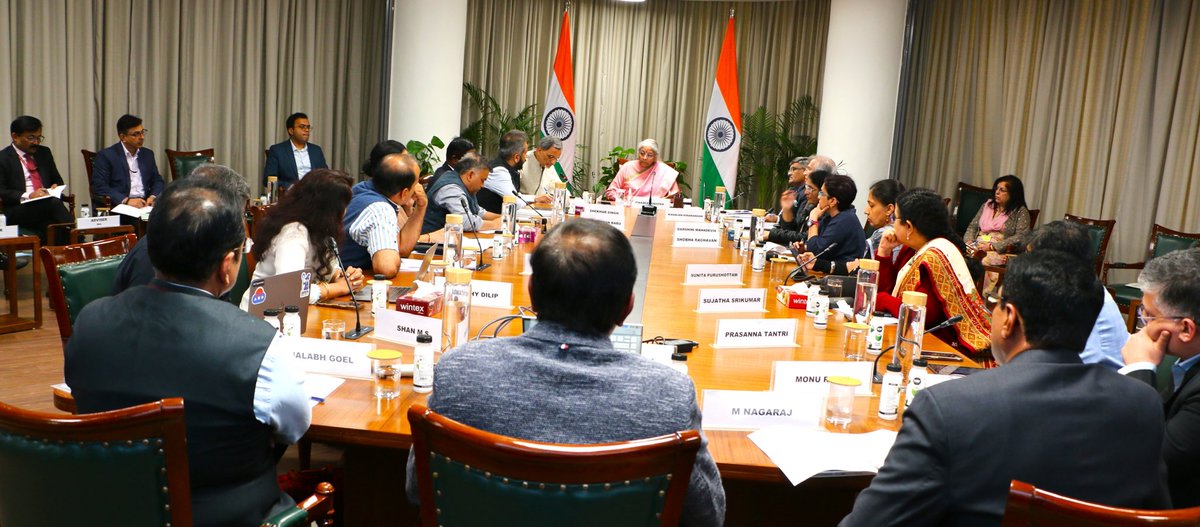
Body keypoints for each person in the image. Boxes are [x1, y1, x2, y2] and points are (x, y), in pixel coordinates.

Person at [404, 219, 726, 526]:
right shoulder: (668, 395)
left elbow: (417, 489)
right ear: (627, 307)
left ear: (531, 292)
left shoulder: (459, 370)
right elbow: (708, 515)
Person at [841, 250, 1169, 526]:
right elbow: (1157, 513)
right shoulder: (1142, 402)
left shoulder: (949, 408)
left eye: (994, 304)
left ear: (1009, 318)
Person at [66, 176, 310, 527]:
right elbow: (294, 427)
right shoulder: (259, 345)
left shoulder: (89, 322)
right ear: (227, 266)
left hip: (109, 509)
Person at [1120, 247, 1200, 507]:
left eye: (1149, 316)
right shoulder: (1186, 361)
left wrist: (1140, 370)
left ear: (1186, 329)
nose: (1142, 324)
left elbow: (1152, 461)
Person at [875, 188, 991, 354]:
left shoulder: (936, 254)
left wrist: (882, 300)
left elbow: (922, 313)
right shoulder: (912, 249)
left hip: (943, 349)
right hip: (911, 338)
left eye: (895, 218)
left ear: (908, 226)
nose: (892, 224)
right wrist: (884, 252)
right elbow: (888, 292)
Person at [111, 164, 251, 296]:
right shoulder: (162, 252)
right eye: (240, 214)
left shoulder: (200, 243)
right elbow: (145, 315)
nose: (241, 223)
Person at [240, 169, 365, 309]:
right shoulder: (293, 234)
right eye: (343, 206)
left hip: (297, 313)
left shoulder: (320, 228)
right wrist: (338, 288)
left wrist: (340, 275)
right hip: (264, 314)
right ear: (326, 209)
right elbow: (290, 292)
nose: (345, 211)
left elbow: (318, 267)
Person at [1026, 220, 1127, 370]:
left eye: (1031, 256)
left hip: (1100, 385)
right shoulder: (1076, 286)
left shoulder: (1081, 297)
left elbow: (1074, 365)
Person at [341, 152, 427, 276]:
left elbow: (401, 248)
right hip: (343, 283)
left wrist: (421, 207)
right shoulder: (380, 209)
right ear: (404, 193)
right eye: (416, 183)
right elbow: (386, 268)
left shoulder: (360, 189)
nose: (418, 187)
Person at [0, 115, 72, 241]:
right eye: (31, 138)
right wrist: (29, 195)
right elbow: (2, 191)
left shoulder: (44, 153)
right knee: (53, 203)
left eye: (39, 138)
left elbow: (57, 180)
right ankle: (79, 237)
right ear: (15, 137)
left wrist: (54, 186)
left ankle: (59, 256)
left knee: (52, 227)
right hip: (18, 209)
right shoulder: (3, 158)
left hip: (45, 206)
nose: (36, 142)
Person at [793, 174, 867, 271]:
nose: (819, 197)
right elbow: (817, 244)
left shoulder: (844, 221)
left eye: (822, 193)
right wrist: (805, 248)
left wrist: (813, 218)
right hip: (829, 271)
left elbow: (815, 252)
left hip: (842, 278)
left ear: (832, 201)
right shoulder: (832, 216)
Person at [92, 114, 165, 209]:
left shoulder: (147, 154)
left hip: (145, 204)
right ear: (123, 137)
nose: (142, 137)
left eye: (142, 132)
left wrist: (153, 196)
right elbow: (99, 186)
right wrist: (126, 200)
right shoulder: (107, 156)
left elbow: (157, 180)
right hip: (122, 205)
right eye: (136, 134)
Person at [421, 152, 500, 234]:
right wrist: (494, 224)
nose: (483, 185)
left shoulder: (465, 186)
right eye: (482, 180)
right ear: (470, 175)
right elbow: (465, 221)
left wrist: (502, 218)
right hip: (429, 241)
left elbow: (478, 211)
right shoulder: (451, 188)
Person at [963, 174, 1032, 264]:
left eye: (1002, 190)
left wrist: (992, 246)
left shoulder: (1020, 211)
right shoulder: (987, 206)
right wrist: (969, 243)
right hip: (977, 247)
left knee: (983, 260)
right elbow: (972, 227)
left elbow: (1021, 237)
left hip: (1000, 250)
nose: (997, 192)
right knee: (956, 257)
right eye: (996, 189)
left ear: (1013, 193)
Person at [767, 156, 833, 246]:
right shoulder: (810, 199)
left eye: (808, 169)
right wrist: (787, 210)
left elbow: (807, 239)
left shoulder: (828, 208)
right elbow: (794, 230)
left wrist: (771, 235)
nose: (805, 173)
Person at [480, 130, 543, 213]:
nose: (526, 158)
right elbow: (516, 202)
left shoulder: (506, 168)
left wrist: (535, 198)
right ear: (516, 157)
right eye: (525, 154)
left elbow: (515, 195)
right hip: (491, 222)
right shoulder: (499, 172)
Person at [263, 112, 328, 189]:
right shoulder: (277, 151)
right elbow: (268, 180)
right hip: (292, 196)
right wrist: (292, 187)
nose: (307, 130)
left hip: (315, 195)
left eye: (308, 127)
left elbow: (326, 176)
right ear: (291, 130)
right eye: (302, 127)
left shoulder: (316, 150)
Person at [603, 138, 680, 202]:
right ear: (638, 153)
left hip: (654, 210)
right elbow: (610, 191)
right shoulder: (627, 167)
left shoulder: (664, 170)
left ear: (655, 157)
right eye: (642, 153)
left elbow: (675, 195)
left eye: (649, 155)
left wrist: (661, 202)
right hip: (628, 207)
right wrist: (623, 200)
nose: (644, 157)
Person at [764, 156, 808, 223]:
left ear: (805, 171)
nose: (789, 173)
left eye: (793, 169)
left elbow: (797, 223)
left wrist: (777, 219)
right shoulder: (793, 190)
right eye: (789, 170)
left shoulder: (807, 193)